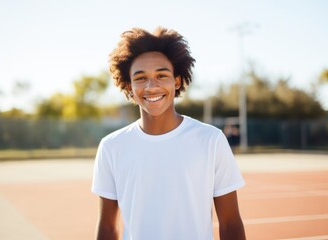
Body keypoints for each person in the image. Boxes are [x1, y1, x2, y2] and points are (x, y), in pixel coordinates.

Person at [92, 27, 246, 240]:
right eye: (140, 78)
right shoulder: (111, 146)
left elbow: (230, 223)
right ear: (128, 85)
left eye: (161, 75)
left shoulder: (211, 140)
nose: (151, 86)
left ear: (177, 80)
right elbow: (107, 228)